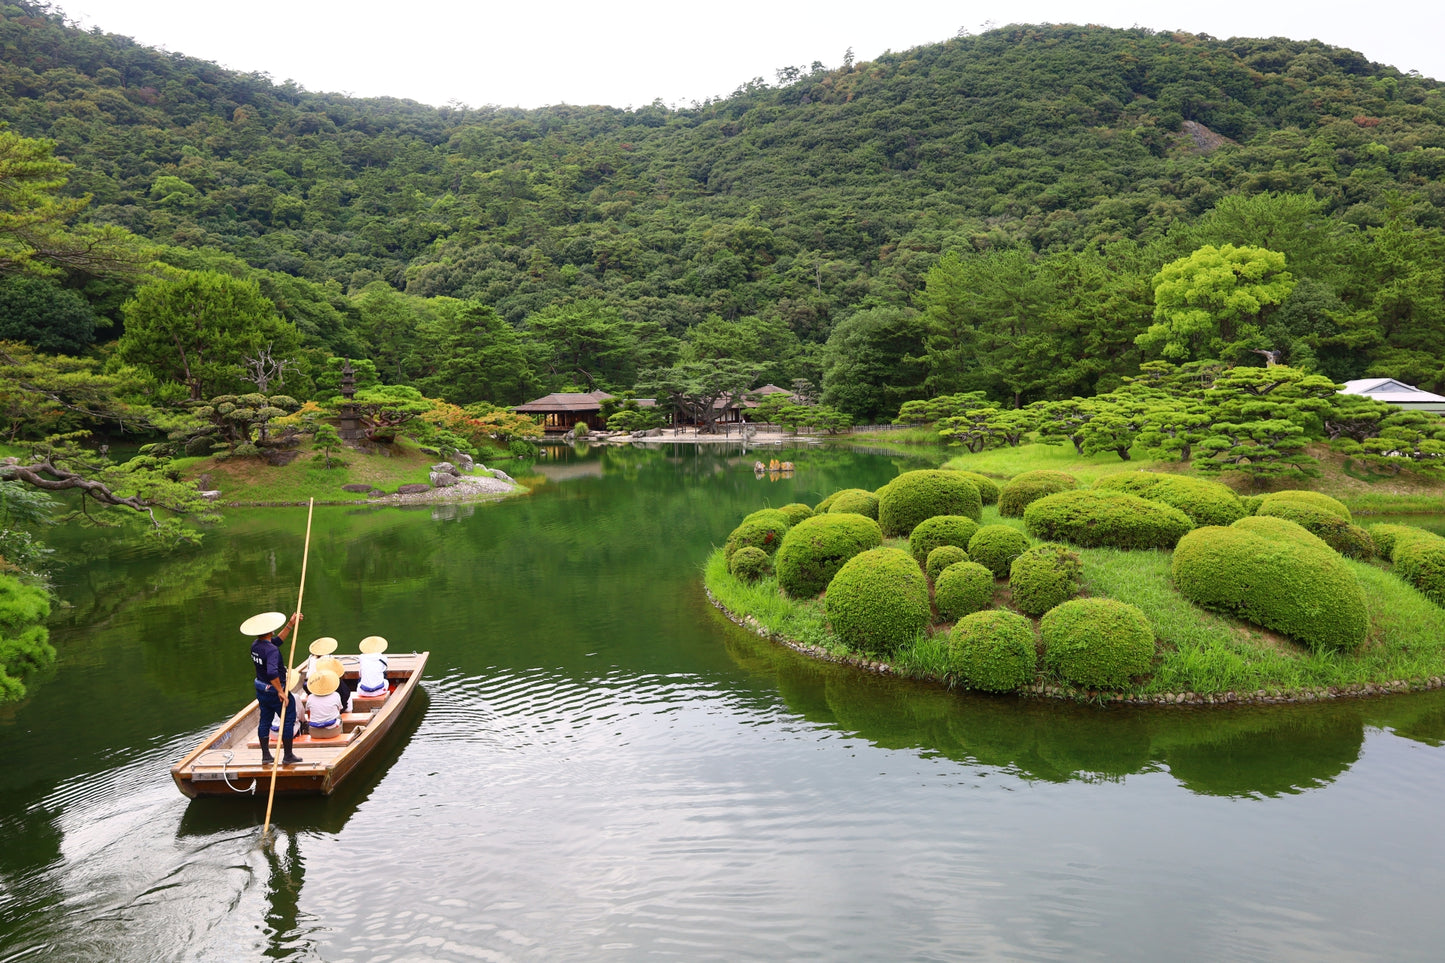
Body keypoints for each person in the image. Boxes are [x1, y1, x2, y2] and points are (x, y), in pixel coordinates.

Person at [242, 610, 304, 765]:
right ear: (269, 631)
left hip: (261, 690)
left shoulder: (256, 645)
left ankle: (266, 756)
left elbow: (277, 641)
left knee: (265, 720)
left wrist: (291, 624)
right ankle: (288, 755)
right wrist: (281, 692)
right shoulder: (271, 650)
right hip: (274, 691)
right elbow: (272, 672)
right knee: (289, 718)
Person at [304, 669, 346, 740]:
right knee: (339, 717)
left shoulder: (310, 697)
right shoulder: (336, 695)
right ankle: (341, 736)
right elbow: (339, 710)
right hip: (333, 732)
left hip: (314, 732)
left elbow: (309, 714)